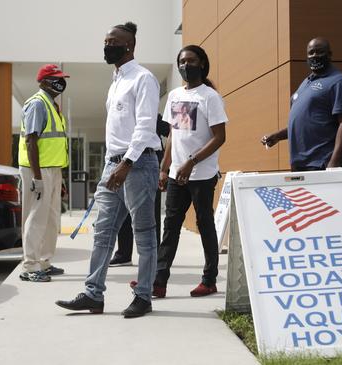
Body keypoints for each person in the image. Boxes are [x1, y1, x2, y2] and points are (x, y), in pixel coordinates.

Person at [55, 21, 161, 318]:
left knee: (144, 234)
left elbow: (144, 126)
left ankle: (143, 297)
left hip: (137, 165)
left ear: (130, 46)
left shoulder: (143, 78)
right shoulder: (116, 80)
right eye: (105, 41)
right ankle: (93, 294)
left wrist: (126, 164)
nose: (107, 46)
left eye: (113, 41)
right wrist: (112, 165)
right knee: (102, 232)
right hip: (112, 165)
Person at [131, 44, 227, 298]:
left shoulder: (210, 97)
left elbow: (220, 137)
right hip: (176, 174)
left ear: (203, 64)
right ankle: (159, 282)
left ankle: (209, 280)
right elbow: (174, 134)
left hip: (202, 175)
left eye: (191, 61)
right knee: (170, 226)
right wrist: (165, 168)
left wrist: (191, 162)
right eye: (182, 61)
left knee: (204, 224)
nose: (186, 65)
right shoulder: (175, 95)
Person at [261, 37, 342, 171]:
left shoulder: (339, 82)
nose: (315, 56)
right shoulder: (306, 83)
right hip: (300, 165)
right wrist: (277, 136)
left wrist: (334, 162)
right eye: (311, 53)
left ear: (329, 55)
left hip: (322, 164)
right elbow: (304, 123)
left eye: (319, 52)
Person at [18, 64, 69, 282]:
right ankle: (30, 266)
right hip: (37, 170)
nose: (59, 82)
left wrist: (60, 178)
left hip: (52, 169)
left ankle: (45, 261)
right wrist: (38, 178)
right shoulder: (38, 104)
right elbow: (31, 141)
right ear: (43, 82)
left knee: (51, 218)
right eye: (54, 78)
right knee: (36, 217)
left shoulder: (52, 105)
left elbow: (54, 144)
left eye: (61, 78)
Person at [109, 114, 169, 267]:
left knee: (150, 215)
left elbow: (172, 134)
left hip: (148, 167)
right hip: (125, 166)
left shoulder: (151, 116)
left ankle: (153, 257)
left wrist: (165, 166)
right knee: (124, 211)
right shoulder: (125, 115)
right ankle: (123, 254)